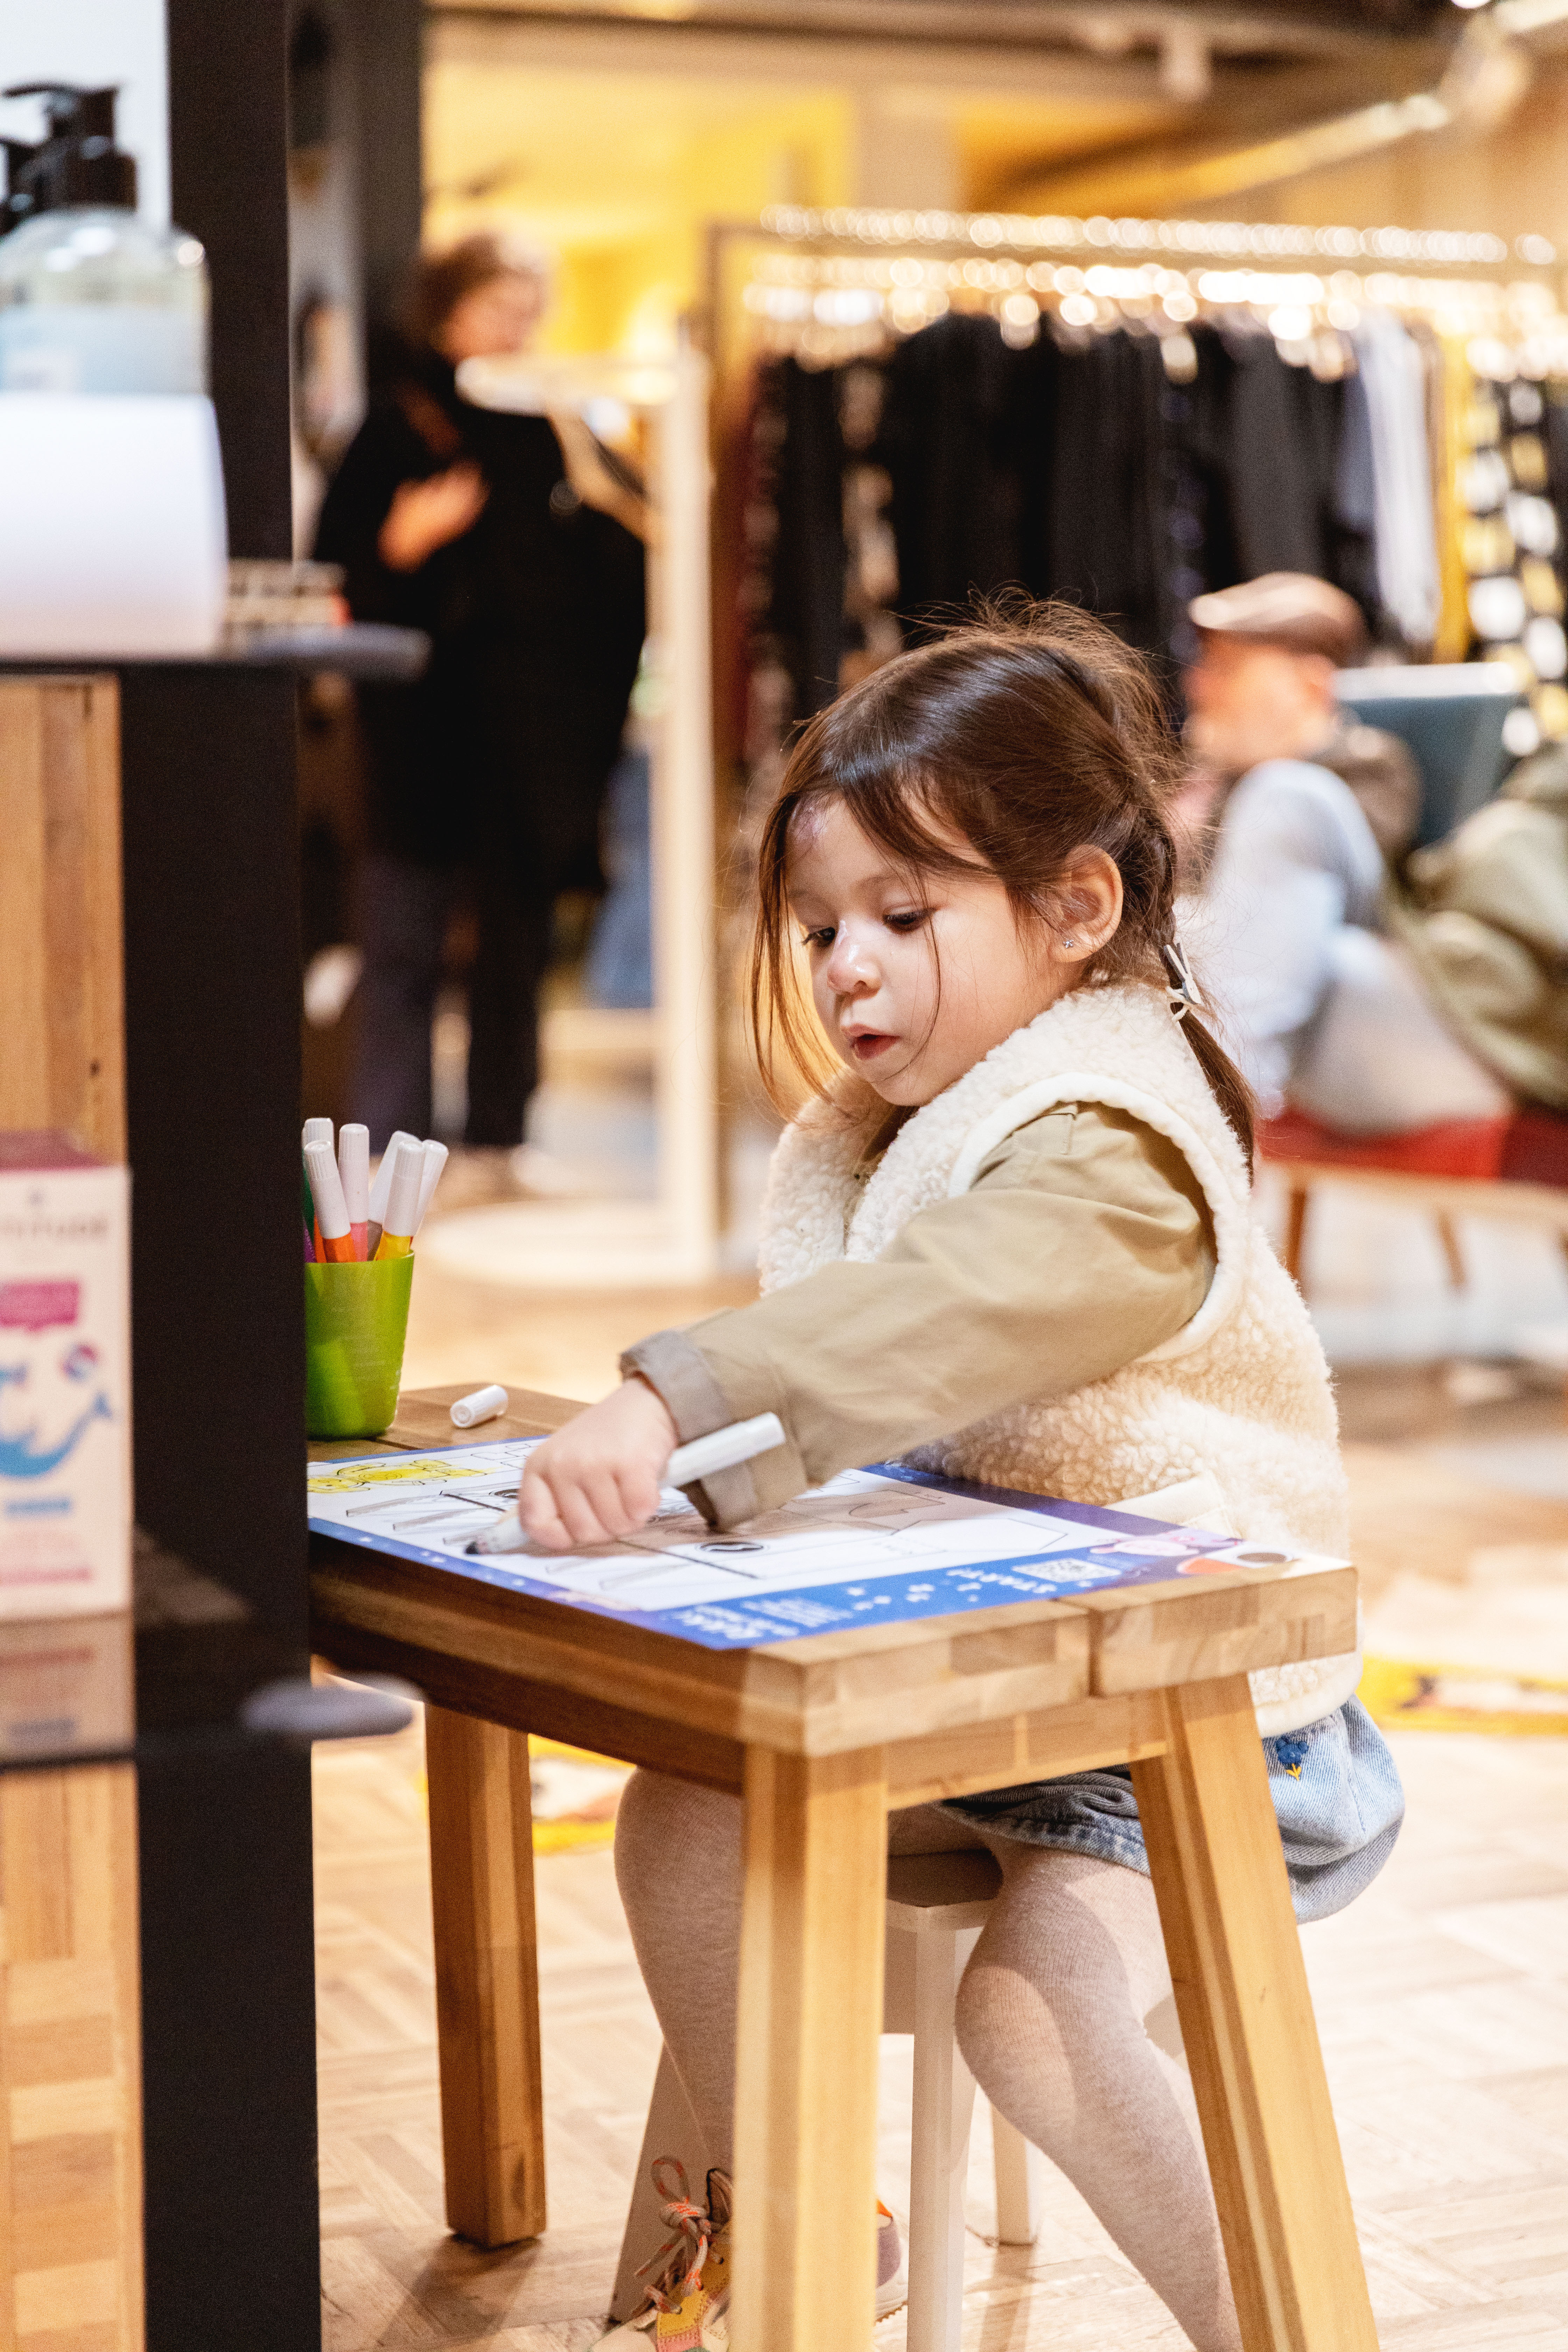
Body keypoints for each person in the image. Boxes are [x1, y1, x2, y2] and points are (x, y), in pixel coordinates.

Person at [508, 609, 1403, 2352]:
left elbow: (926, 1315)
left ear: (1075, 909)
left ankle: (1274, 2324)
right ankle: (806, 2224)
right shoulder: (902, 1122)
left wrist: (670, 1399)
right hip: (982, 1681)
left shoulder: (1111, 1147)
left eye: (906, 921)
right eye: (823, 927)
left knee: (1036, 2007)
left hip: (1200, 1729)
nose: (848, 967)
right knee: (686, 1810)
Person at [314, 235, 647, 1166]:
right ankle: (387, 1152)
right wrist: (403, 544)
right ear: (450, 310)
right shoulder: (396, 427)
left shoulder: (555, 429)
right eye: (502, 305)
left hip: (529, 752)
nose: (520, 327)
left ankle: (502, 1140)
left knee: (515, 951)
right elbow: (337, 581)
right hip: (418, 748)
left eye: (530, 306)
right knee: (403, 953)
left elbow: (615, 572)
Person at [1181, 572, 1513, 1134]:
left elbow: (1306, 903)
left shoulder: (1369, 764)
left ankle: (1219, 1103)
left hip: (1376, 971)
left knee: (1287, 797)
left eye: (1227, 668)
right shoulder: (1215, 786)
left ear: (1311, 686)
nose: (1198, 686)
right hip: (1284, 996)